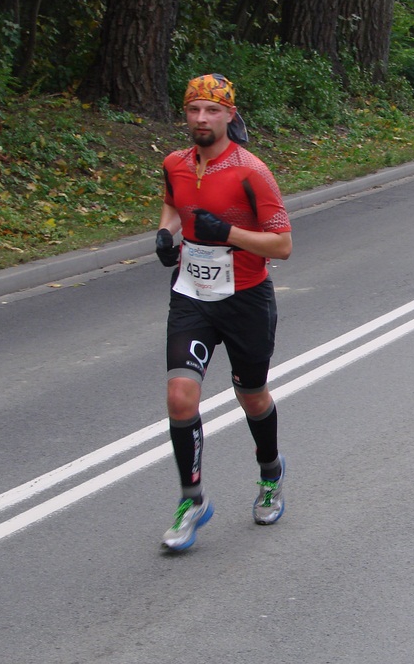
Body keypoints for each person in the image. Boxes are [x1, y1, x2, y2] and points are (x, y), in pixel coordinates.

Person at [155, 73, 294, 551]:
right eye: (193, 109)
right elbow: (173, 203)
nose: (201, 118)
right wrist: (167, 233)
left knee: (251, 396)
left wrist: (228, 234)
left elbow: (283, 245)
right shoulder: (174, 163)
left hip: (245, 299)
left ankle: (271, 473)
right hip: (192, 295)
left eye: (212, 110)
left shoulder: (251, 171)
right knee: (180, 397)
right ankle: (192, 500)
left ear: (229, 115)